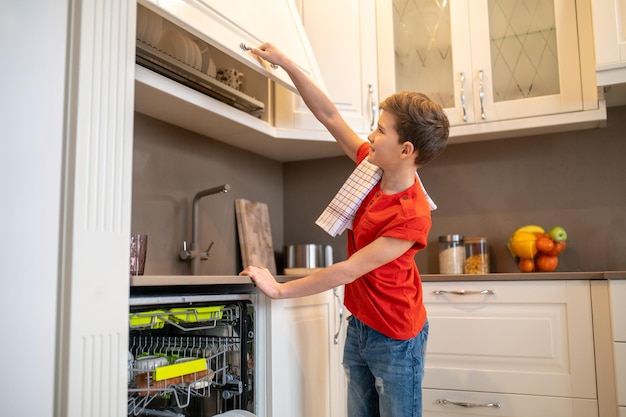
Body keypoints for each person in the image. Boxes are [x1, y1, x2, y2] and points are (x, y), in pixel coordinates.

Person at [240, 43, 449, 417]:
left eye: (380, 130)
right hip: (361, 327)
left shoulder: (412, 214)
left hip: (396, 337)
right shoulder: (372, 170)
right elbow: (330, 116)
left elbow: (349, 269)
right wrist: (286, 63)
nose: (369, 136)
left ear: (405, 150)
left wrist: (279, 289)